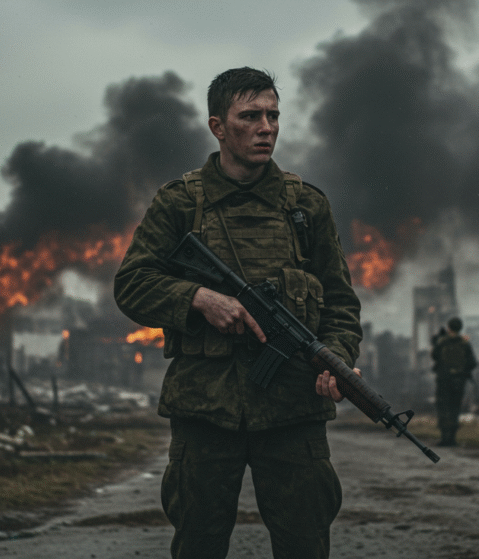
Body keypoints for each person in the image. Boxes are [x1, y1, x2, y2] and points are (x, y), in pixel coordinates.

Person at [114, 67, 362, 559]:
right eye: (250, 116)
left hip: (292, 412)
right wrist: (198, 299)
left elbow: (339, 303)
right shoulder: (180, 203)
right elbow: (132, 284)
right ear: (218, 127)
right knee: (199, 544)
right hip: (205, 410)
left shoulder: (305, 207)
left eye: (273, 115)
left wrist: (336, 356)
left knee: (305, 544)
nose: (266, 127)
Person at [430, 317, 476, 446]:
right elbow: (472, 362)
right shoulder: (464, 343)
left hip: (444, 380)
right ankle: (452, 439)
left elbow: (434, 356)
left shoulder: (442, 342)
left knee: (443, 407)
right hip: (458, 381)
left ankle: (445, 438)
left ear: (449, 327)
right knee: (455, 408)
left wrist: (435, 342)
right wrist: (462, 371)